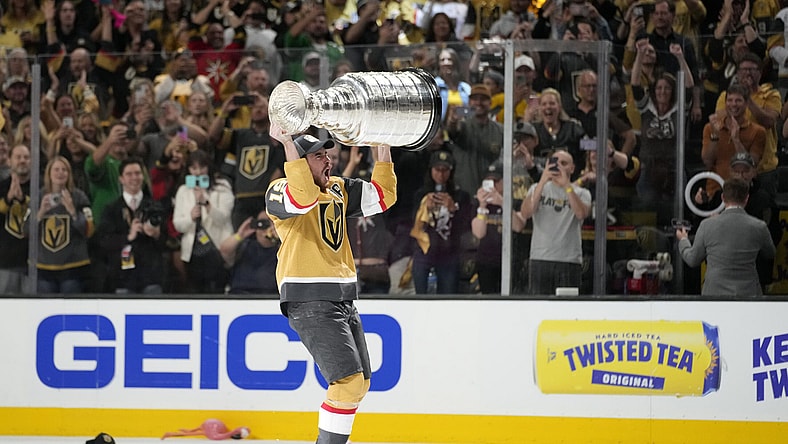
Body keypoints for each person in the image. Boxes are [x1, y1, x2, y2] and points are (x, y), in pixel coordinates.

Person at [265, 123, 397, 444]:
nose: (329, 161)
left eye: (328, 154)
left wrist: (383, 143)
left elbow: (384, 196)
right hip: (309, 298)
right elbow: (305, 196)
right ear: (298, 159)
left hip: (342, 298)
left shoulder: (336, 188)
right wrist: (286, 142)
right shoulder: (278, 190)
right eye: (318, 156)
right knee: (347, 383)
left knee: (360, 382)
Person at [676, 178, 775, 296]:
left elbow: (692, 259)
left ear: (723, 198)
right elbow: (770, 253)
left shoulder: (707, 225)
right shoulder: (759, 227)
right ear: (746, 199)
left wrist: (683, 240)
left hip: (714, 295)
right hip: (748, 294)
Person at [520, 149, 592, 295]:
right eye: (554, 162)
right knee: (539, 307)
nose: (558, 166)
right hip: (540, 258)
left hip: (569, 260)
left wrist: (566, 186)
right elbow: (526, 213)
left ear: (572, 168)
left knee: (568, 310)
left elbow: (581, 213)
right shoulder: (536, 189)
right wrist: (542, 180)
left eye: (563, 163)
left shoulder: (582, 193)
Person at [96, 158, 166, 294]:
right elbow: (104, 241)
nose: (134, 177)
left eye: (138, 173)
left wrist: (156, 234)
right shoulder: (111, 209)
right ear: (121, 179)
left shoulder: (155, 206)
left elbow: (167, 240)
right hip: (122, 277)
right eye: (129, 174)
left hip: (150, 275)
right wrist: (128, 236)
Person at [409, 150, 473, 294]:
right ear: (431, 170)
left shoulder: (461, 196)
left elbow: (465, 227)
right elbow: (413, 226)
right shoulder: (420, 194)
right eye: (437, 170)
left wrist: (453, 208)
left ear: (451, 171)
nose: (441, 174)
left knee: (448, 296)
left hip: (449, 253)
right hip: (424, 250)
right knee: (420, 295)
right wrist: (424, 208)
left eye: (445, 170)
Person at [172, 149, 235, 294]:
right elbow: (178, 225)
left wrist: (207, 203)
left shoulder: (222, 187)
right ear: (188, 170)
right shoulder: (183, 190)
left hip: (217, 249)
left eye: (201, 167)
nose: (198, 172)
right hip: (192, 252)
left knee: (216, 290)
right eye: (194, 168)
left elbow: (223, 218)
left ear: (208, 168)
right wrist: (190, 217)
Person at [35, 156, 93, 293]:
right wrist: (41, 212)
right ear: (49, 173)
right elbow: (26, 231)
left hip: (73, 267)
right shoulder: (38, 196)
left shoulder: (79, 197)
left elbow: (89, 231)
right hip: (44, 267)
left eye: (64, 170)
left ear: (69, 174)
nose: (60, 173)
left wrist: (73, 211)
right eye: (56, 169)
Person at [472, 160, 526, 294]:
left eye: (496, 181)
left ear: (504, 182)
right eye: (489, 182)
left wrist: (503, 203)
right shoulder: (477, 204)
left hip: (511, 261)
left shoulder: (516, 202)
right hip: (487, 261)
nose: (493, 186)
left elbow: (518, 226)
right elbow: (479, 233)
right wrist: (482, 206)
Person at [445, 83, 503, 196]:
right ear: (469, 103)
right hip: (465, 192)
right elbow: (453, 131)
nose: (479, 103)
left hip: (492, 194)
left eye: (483, 99)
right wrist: (452, 120)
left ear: (490, 103)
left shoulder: (500, 130)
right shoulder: (463, 126)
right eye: (475, 99)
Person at [219, 210, 280, 294]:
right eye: (262, 223)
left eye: (271, 222)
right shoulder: (244, 246)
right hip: (240, 297)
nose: (266, 227)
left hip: (270, 298)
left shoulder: (282, 249)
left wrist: (279, 238)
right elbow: (224, 250)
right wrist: (240, 235)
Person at [0, 144, 32, 293]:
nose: (22, 161)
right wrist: (8, 199)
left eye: (26, 157)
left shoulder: (39, 186)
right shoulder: (2, 186)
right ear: (10, 161)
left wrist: (23, 200)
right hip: (6, 261)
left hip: (33, 263)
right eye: (18, 157)